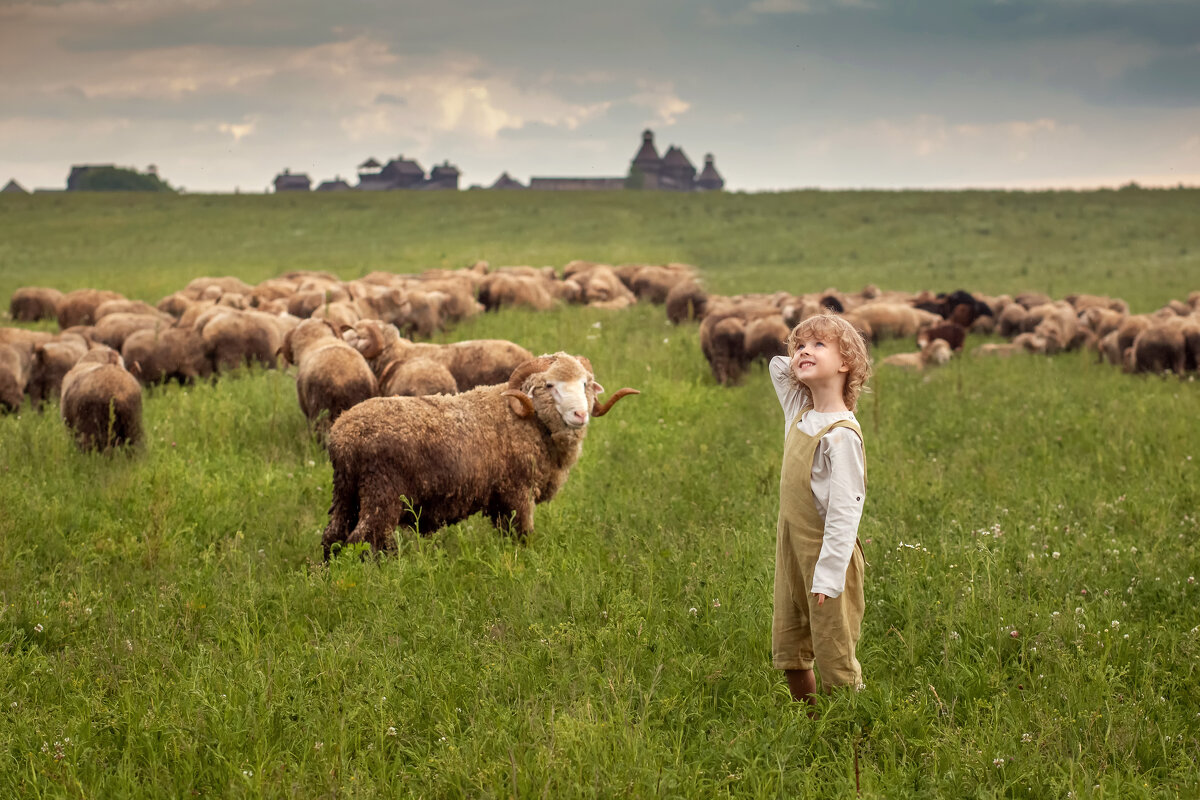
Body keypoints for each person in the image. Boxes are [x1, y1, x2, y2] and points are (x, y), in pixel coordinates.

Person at [768, 312, 872, 708]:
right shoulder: (799, 411)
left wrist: (827, 577)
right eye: (800, 345)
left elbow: (846, 514)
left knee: (835, 659)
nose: (803, 351)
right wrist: (805, 350)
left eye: (819, 345)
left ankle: (852, 731)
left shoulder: (841, 434)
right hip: (791, 553)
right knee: (791, 651)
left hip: (830, 560)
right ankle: (812, 727)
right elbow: (779, 367)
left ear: (846, 363)